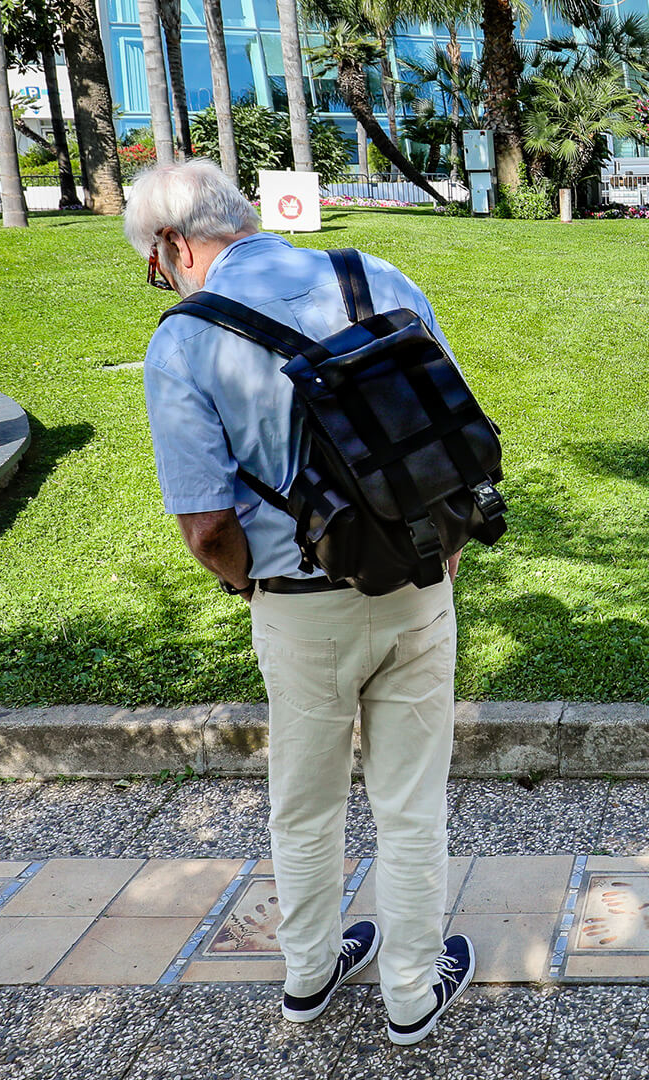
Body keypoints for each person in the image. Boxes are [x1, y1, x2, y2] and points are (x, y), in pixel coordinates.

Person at [127, 160, 475, 1046]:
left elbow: (207, 528)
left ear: (173, 245)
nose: (161, 277)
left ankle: (310, 973)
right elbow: (452, 441)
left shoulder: (183, 341)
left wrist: (253, 583)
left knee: (307, 803)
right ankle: (409, 991)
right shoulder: (376, 278)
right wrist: (443, 556)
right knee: (409, 802)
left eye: (154, 262)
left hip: (299, 602)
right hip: (417, 585)